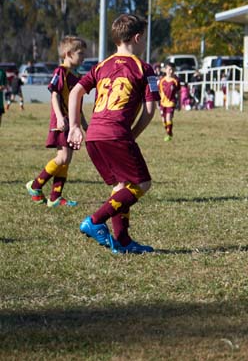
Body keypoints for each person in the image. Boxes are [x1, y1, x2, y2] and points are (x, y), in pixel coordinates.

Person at [67, 14, 157, 254]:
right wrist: (132, 134)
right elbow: (150, 110)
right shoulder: (144, 68)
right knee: (142, 183)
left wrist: (75, 126)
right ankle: (95, 221)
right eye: (144, 38)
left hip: (94, 134)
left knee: (121, 186)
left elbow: (75, 92)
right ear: (137, 38)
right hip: (116, 133)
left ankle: (123, 241)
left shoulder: (100, 66)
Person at [25, 36, 87, 208]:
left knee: (67, 160)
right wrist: (60, 117)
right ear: (68, 54)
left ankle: (55, 197)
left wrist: (84, 123)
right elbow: (54, 95)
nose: (83, 58)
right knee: (62, 157)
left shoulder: (77, 76)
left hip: (72, 122)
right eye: (80, 54)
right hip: (63, 122)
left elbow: (77, 104)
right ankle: (35, 185)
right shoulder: (60, 72)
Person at [158, 63, 181, 141]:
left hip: (171, 103)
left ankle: (169, 135)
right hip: (162, 103)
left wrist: (180, 103)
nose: (171, 71)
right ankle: (169, 131)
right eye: (169, 69)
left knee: (168, 118)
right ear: (165, 70)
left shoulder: (176, 80)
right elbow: (159, 92)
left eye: (172, 70)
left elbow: (179, 92)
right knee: (163, 121)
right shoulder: (162, 80)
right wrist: (157, 102)